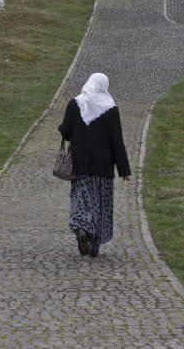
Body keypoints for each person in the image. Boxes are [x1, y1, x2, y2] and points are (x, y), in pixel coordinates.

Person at [58, 73, 131, 258]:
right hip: (104, 167)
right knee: (100, 203)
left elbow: (65, 131)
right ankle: (95, 243)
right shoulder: (111, 108)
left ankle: (82, 228)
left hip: (80, 165)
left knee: (81, 200)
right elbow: (117, 141)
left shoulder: (75, 104)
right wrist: (125, 171)